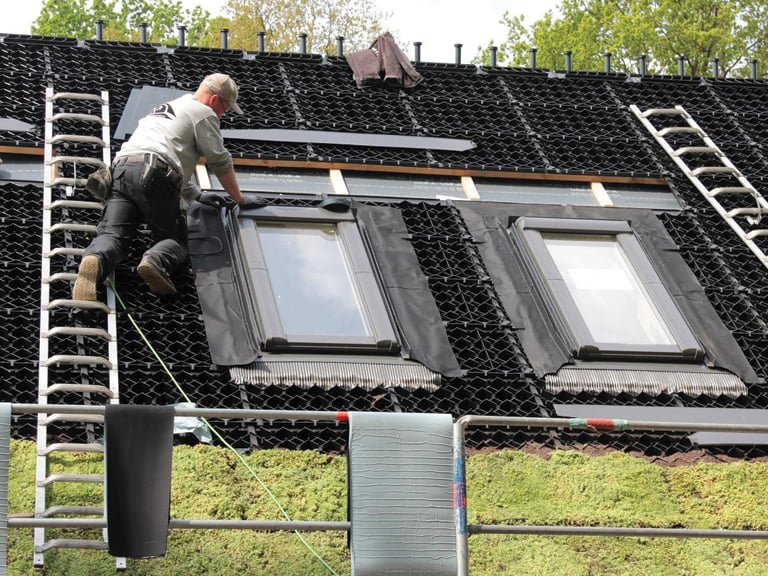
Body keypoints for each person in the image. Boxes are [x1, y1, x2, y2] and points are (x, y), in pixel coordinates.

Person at [73, 73, 247, 301]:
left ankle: (94, 260)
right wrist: (239, 199)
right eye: (225, 109)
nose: (222, 114)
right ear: (215, 100)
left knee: (113, 235)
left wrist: (197, 195)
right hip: (154, 175)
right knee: (176, 240)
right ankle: (155, 261)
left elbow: (171, 152)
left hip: (121, 171)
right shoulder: (204, 113)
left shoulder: (169, 107)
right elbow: (219, 161)